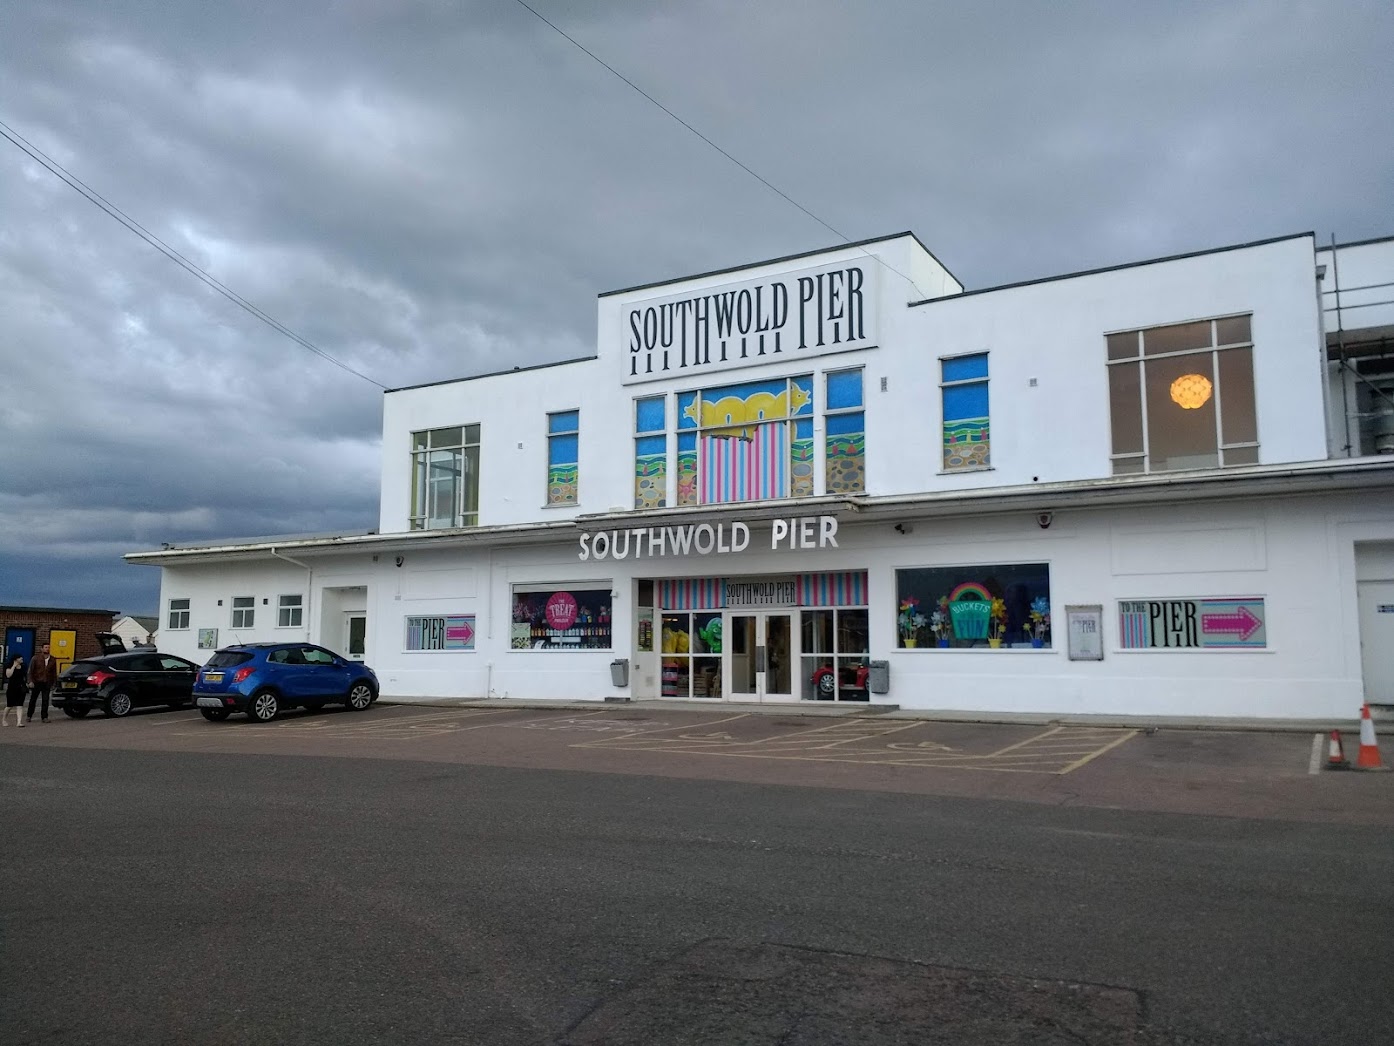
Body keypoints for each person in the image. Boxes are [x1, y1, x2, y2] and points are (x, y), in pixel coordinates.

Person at [27, 643, 58, 724]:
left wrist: (54, 683)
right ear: (42, 649)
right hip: (37, 681)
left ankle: (44, 717)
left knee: (45, 700)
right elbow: (30, 670)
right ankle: (29, 715)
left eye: (48, 647)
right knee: (33, 699)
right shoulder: (36, 658)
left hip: (47, 682)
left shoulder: (53, 659)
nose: (47, 649)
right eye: (45, 647)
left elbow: (54, 673)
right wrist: (30, 681)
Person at [3, 655, 26, 727]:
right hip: (12, 688)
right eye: (20, 658)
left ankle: (19, 722)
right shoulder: (9, 666)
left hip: (21, 688)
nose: (22, 659)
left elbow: (24, 676)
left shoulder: (23, 666)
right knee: (9, 706)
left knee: (20, 705)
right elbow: (8, 675)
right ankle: (4, 719)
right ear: (16, 659)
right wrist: (13, 666)